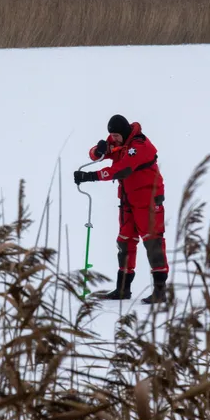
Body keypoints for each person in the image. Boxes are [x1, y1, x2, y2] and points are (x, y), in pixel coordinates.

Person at [74, 114, 169, 304]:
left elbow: (122, 169)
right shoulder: (118, 141)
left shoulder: (139, 146)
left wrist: (90, 176)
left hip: (148, 201)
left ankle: (160, 291)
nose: (113, 139)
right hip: (128, 201)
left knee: (153, 242)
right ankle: (123, 288)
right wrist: (97, 151)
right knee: (125, 242)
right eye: (112, 135)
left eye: (116, 135)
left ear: (124, 132)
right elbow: (97, 153)